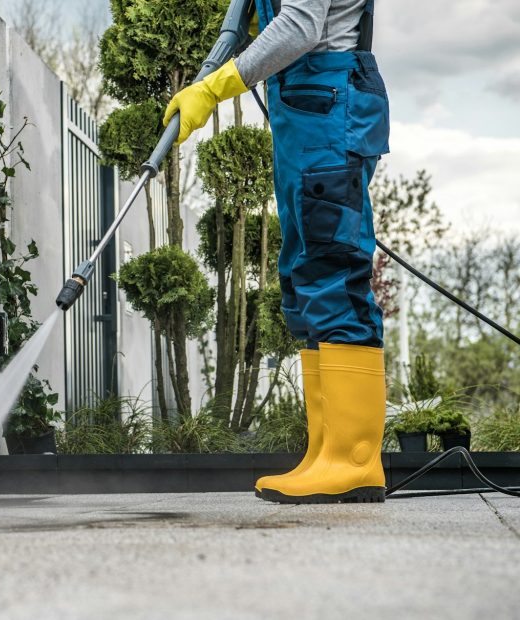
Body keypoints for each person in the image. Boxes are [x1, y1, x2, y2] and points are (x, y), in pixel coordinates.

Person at [163, 0, 389, 504]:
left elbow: (303, 25)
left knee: (333, 273)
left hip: (329, 113)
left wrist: (214, 86)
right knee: (304, 278)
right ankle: (326, 452)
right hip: (308, 112)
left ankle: (353, 460)